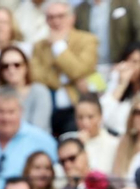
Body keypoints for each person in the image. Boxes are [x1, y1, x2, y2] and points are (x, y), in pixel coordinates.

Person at [28, 0, 96, 136]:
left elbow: (80, 70)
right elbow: (34, 76)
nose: (56, 21)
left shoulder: (87, 40)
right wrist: (68, 78)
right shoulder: (39, 46)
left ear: (72, 18)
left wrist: (58, 46)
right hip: (48, 108)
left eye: (61, 16)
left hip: (75, 106)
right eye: (51, 17)